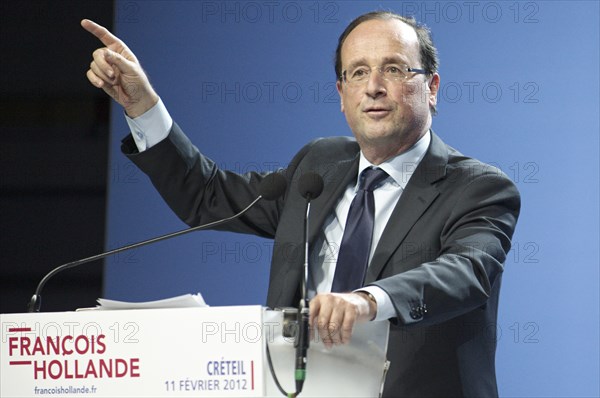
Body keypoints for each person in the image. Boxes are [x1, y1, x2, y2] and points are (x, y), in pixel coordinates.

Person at [82, 11, 520, 397]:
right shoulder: (320, 165)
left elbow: (468, 272)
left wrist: (369, 300)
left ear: (432, 87)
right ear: (342, 94)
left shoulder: (477, 187)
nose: (374, 87)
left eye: (394, 69)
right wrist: (141, 106)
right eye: (358, 72)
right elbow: (208, 195)